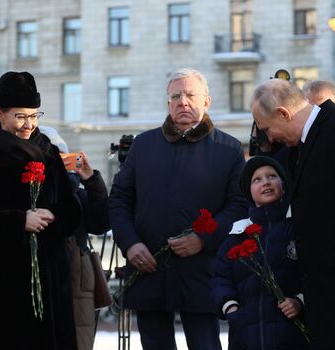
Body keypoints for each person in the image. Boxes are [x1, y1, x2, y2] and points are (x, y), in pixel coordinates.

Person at [109, 67, 247, 350]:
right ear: (168, 103)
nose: (183, 102)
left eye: (190, 95)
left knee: (206, 344)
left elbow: (239, 206)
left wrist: (203, 239)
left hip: (202, 272)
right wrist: (130, 243)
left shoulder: (229, 149)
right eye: (176, 96)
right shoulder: (144, 145)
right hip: (148, 268)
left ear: (206, 101)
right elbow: (120, 198)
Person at [251, 78, 335, 349]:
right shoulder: (299, 146)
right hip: (323, 294)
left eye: (267, 129)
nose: (270, 137)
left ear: (283, 114)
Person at [0, 71, 80, 349]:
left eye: (33, 115)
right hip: (1, 285)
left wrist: (53, 216)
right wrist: (18, 221)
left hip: (49, 281)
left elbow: (72, 208)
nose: (28, 125)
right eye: (20, 116)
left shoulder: (48, 151)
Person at [213, 156, 308, 350]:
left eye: (272, 176)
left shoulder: (300, 228)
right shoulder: (237, 235)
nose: (265, 182)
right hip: (246, 338)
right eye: (257, 179)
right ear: (249, 191)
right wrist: (232, 309)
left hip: (294, 336)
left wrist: (299, 301)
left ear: (283, 185)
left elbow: (318, 274)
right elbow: (220, 278)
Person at [39, 126, 110, 350]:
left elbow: (101, 223)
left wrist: (91, 180)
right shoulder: (28, 189)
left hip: (78, 282)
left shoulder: (77, 191)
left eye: (60, 156)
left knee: (77, 342)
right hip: (41, 279)